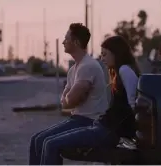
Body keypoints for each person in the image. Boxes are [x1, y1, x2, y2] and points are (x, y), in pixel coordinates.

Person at [39, 35, 140, 165]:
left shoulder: (124, 70)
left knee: (51, 144)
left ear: (116, 53)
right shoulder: (118, 71)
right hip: (103, 127)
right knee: (48, 142)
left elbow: (134, 104)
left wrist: (132, 135)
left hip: (108, 131)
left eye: (105, 54)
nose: (102, 58)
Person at [29, 23, 109, 165]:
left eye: (66, 38)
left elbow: (70, 101)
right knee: (36, 139)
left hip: (90, 122)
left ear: (76, 42)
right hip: (76, 119)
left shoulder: (88, 66)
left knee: (49, 143)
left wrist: (70, 97)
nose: (63, 42)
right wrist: (70, 97)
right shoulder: (74, 69)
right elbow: (65, 103)